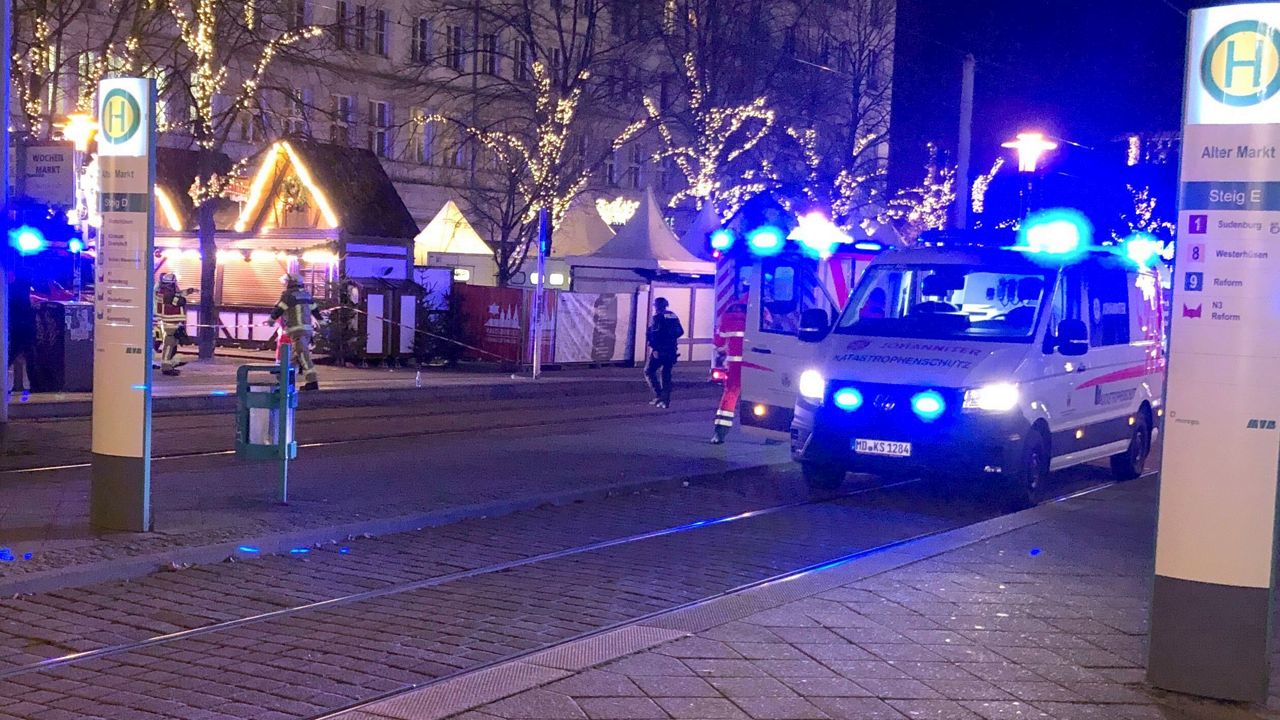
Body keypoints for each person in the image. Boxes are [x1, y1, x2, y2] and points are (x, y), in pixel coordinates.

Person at [268, 273, 324, 390]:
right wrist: (322, 323)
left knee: (303, 356)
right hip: (307, 331)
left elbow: (279, 309)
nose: (285, 285)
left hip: (296, 331)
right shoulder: (306, 295)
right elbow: (315, 310)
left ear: (290, 283)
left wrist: (271, 320)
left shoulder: (288, 295)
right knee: (292, 358)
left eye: (286, 283)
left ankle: (312, 382)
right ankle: (286, 382)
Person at [710, 301, 746, 444]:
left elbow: (719, 342)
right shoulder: (763, 310)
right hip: (757, 362)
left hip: (734, 363)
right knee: (764, 395)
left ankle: (720, 434)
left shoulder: (729, 311)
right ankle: (771, 434)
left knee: (730, 395)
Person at [644, 297, 684, 408]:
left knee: (648, 371)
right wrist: (671, 339)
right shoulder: (673, 315)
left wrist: (655, 348)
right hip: (672, 350)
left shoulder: (657, 317)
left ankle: (659, 395)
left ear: (657, 306)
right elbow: (680, 331)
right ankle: (665, 400)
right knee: (666, 374)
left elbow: (653, 334)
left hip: (661, 350)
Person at [154, 272, 187, 376]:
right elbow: (177, 301)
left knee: (171, 343)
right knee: (169, 343)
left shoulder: (162, 290)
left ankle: (170, 363)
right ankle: (166, 366)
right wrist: (183, 299)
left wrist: (189, 291)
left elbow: (178, 294)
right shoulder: (167, 292)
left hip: (169, 321)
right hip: (169, 321)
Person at [8, 272, 36, 392]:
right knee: (28, 356)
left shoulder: (13, 291)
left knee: (13, 355)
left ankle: (20, 385)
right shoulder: (22, 294)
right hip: (24, 328)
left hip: (17, 327)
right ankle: (34, 385)